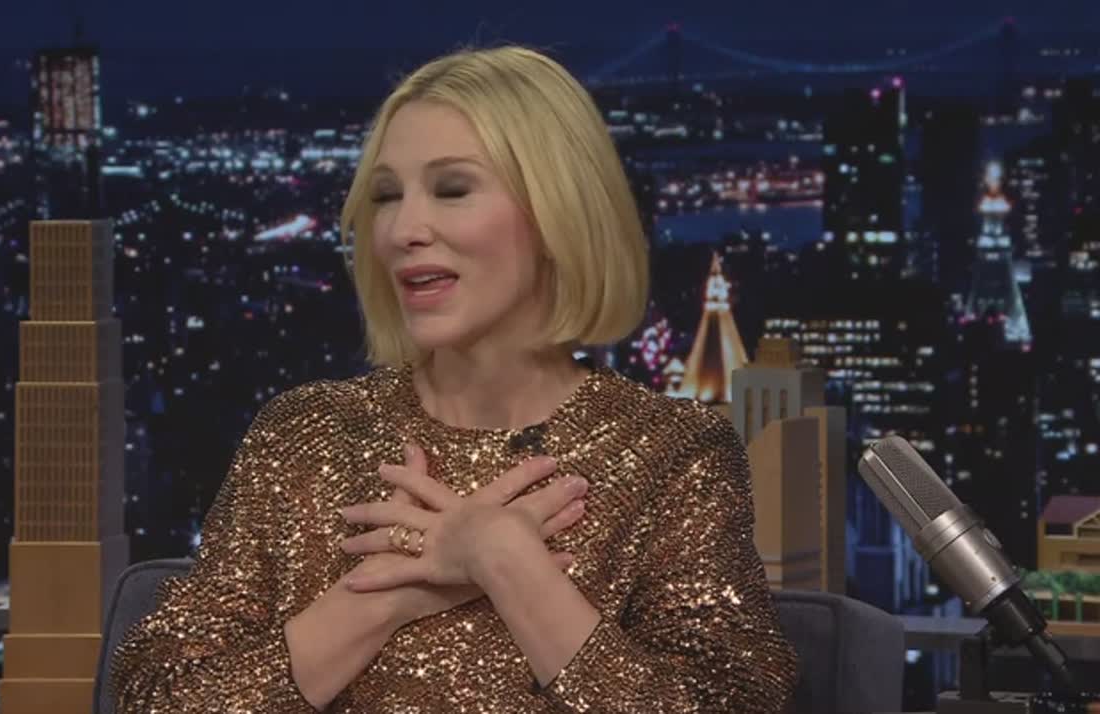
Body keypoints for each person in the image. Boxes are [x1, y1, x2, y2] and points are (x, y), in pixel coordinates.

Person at [109, 44, 799, 713]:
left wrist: (504, 560)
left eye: (452, 189)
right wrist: (385, 597)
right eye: (386, 196)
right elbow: (159, 698)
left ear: (557, 212)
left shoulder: (673, 455)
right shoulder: (305, 434)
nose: (402, 229)